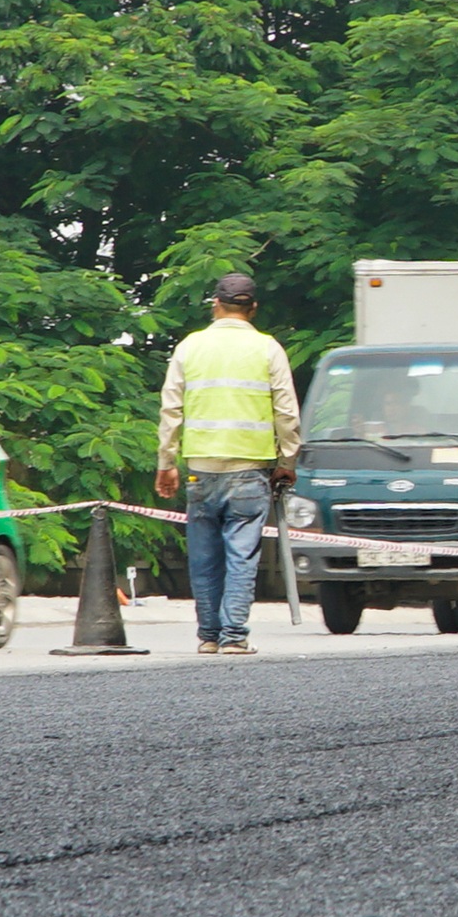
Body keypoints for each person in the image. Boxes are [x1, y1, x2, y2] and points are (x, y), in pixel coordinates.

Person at [155, 271, 300, 656]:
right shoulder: (268, 349)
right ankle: (234, 636)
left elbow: (171, 408)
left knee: (204, 557)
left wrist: (166, 462)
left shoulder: (190, 346)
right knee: (242, 556)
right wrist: (288, 459)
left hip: (199, 469)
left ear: (215, 305)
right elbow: (286, 413)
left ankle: (208, 636)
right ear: (252, 308)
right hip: (250, 469)